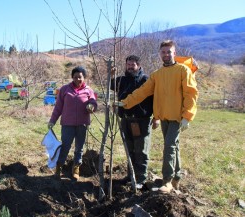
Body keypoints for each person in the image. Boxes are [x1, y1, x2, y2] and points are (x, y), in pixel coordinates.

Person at [115, 40, 198, 193]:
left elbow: (190, 93)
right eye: (163, 52)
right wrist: (125, 103)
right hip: (164, 116)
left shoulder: (183, 70)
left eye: (169, 52)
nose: (166, 55)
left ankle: (167, 181)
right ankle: (176, 178)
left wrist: (187, 115)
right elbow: (142, 92)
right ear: (160, 54)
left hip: (178, 117)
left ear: (174, 53)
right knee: (173, 147)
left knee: (169, 147)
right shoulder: (157, 75)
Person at [110, 55, 160, 189]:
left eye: (133, 65)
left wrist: (157, 117)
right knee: (129, 149)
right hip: (126, 120)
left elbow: (156, 99)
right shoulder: (122, 80)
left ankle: (141, 179)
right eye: (128, 65)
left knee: (141, 151)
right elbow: (111, 86)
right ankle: (130, 176)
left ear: (138, 65)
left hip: (141, 120)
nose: (130, 67)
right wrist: (112, 74)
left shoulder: (146, 80)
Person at [48, 66, 98, 181]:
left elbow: (93, 102)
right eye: (75, 77)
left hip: (82, 124)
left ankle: (76, 169)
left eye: (80, 77)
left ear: (84, 77)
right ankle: (59, 167)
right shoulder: (64, 90)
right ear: (72, 77)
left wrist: (92, 106)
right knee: (65, 146)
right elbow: (58, 107)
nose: (78, 79)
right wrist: (52, 120)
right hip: (67, 124)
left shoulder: (88, 90)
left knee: (79, 148)